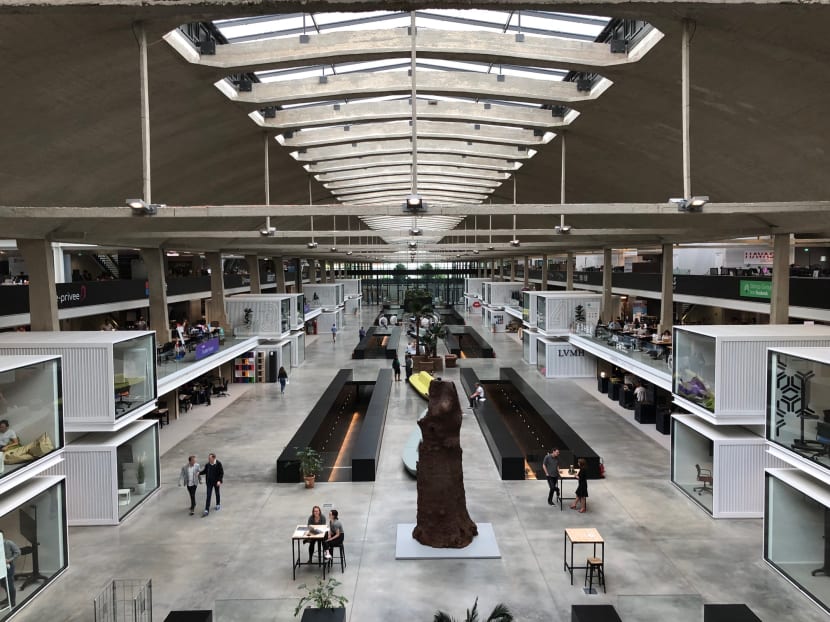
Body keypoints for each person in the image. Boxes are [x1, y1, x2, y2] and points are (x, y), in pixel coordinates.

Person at [1, 530, 20, 608]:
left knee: (9, 584)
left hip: (8, 566)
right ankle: (8, 598)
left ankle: (12, 602)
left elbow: (18, 552)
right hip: (0, 567)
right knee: (3, 583)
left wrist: (9, 560)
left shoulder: (8, 543)